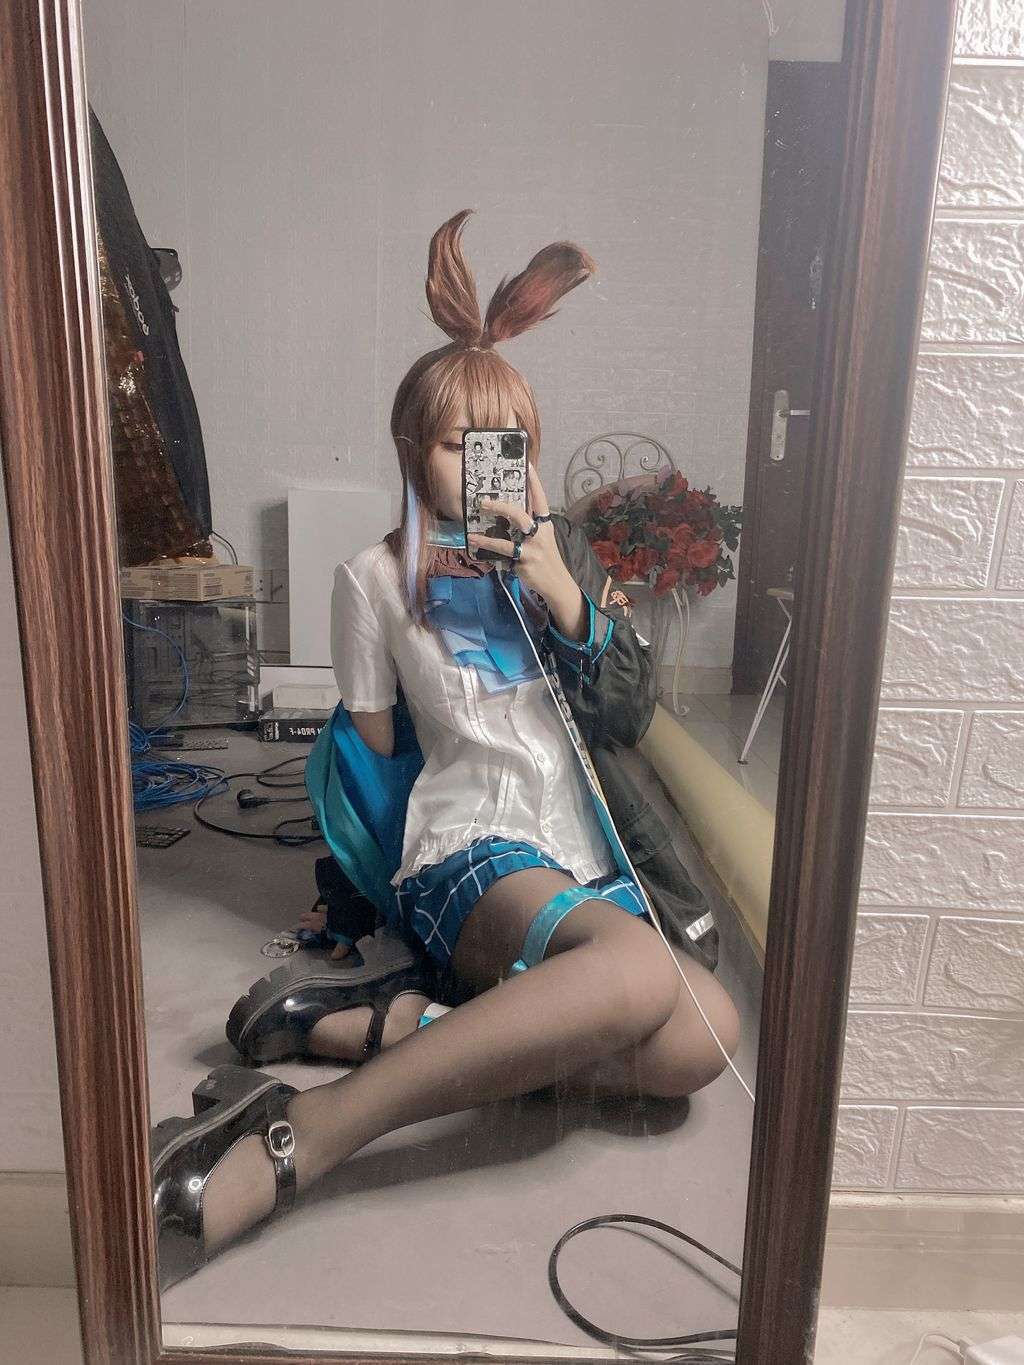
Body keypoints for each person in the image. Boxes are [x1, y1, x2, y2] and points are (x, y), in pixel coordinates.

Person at [151, 208, 740, 1292]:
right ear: (409, 450)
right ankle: (312, 1131)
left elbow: (626, 714)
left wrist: (558, 586)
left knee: (699, 1039)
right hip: (473, 843)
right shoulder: (372, 581)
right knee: (639, 974)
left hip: (589, 851)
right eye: (454, 442)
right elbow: (371, 749)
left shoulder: (565, 563)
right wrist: (355, 885)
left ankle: (383, 1028)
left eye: (504, 445)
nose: (480, 466)